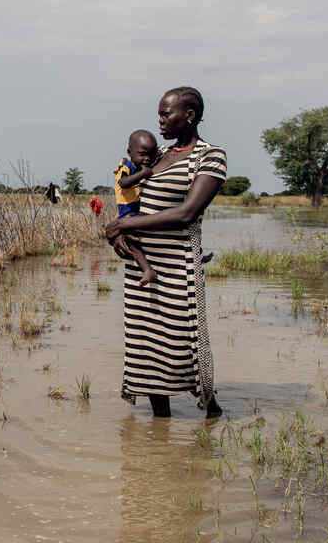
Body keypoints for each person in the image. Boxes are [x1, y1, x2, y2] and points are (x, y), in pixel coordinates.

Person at [104, 87, 226, 419]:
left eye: (166, 114)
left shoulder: (210, 157)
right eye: (159, 113)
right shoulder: (157, 157)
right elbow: (130, 197)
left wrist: (127, 226)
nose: (160, 120)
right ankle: (162, 426)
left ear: (189, 115)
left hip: (178, 266)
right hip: (141, 269)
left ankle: (209, 408)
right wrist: (121, 235)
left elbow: (187, 213)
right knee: (147, 347)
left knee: (184, 344)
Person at [113, 129, 159, 286]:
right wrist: (144, 173)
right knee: (131, 241)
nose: (147, 159)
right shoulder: (125, 165)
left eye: (151, 155)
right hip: (127, 212)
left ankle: (197, 256)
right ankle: (147, 269)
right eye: (142, 154)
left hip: (138, 211)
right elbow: (123, 183)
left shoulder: (139, 167)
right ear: (129, 152)